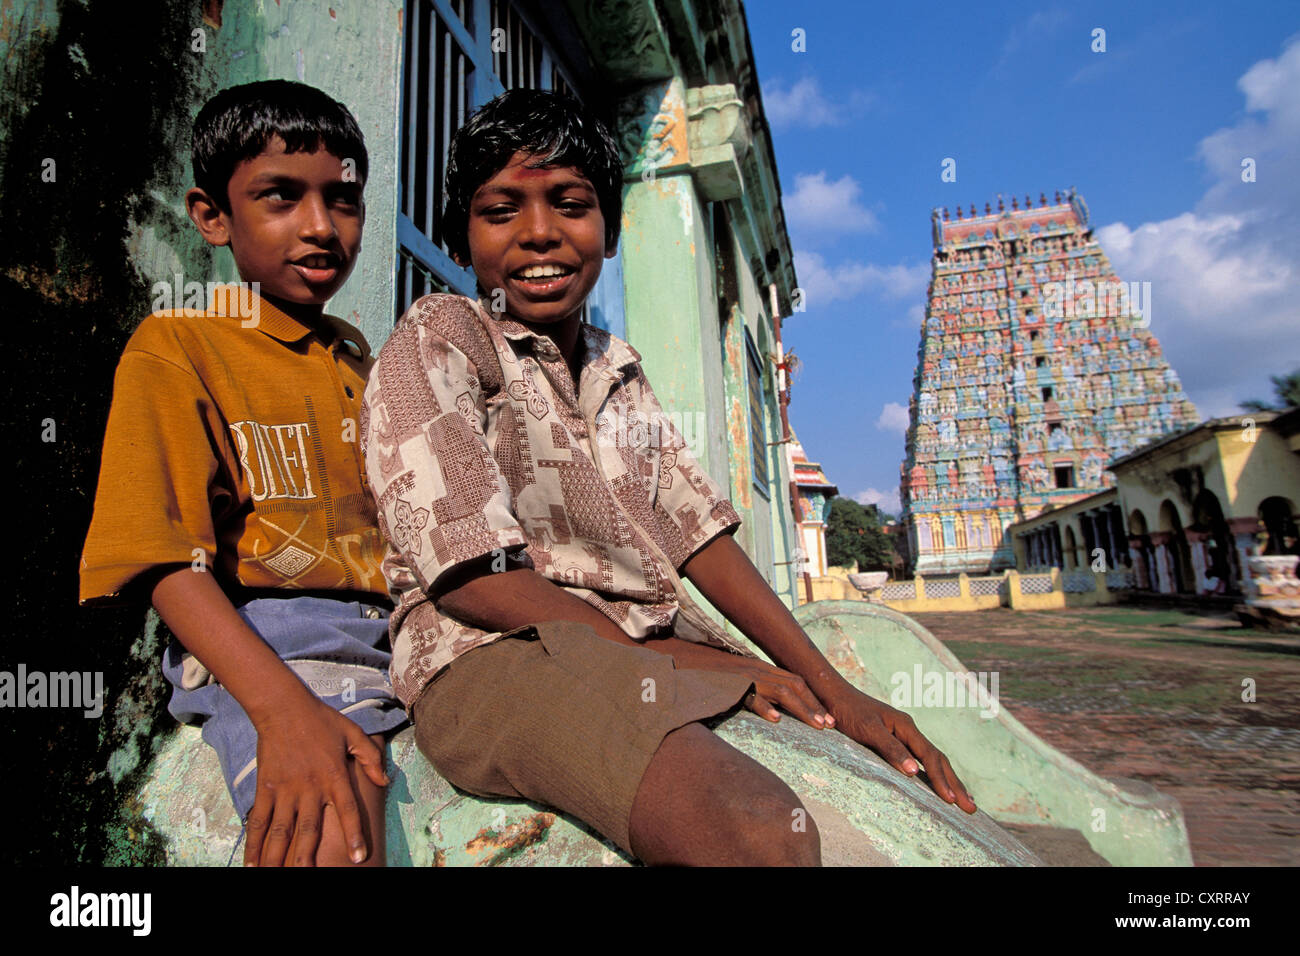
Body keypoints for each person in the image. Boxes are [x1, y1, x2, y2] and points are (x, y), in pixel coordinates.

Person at [362, 89, 975, 866]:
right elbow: (470, 574)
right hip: (492, 654)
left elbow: (698, 535)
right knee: (755, 831)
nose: (539, 232)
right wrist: (694, 667)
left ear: (610, 229)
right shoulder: (445, 336)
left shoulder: (616, 368)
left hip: (634, 649)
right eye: (501, 210)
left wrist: (828, 685)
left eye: (570, 203)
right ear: (461, 239)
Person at [79, 80, 405, 867]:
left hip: (399, 627)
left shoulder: (364, 358)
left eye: (344, 200)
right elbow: (161, 555)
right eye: (281, 197)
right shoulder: (181, 343)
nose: (321, 226)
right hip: (279, 635)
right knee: (336, 828)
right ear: (213, 216)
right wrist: (280, 708)